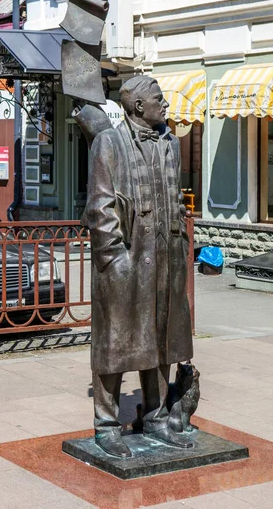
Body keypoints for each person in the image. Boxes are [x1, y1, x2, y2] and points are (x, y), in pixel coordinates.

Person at [83, 75, 194, 458]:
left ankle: (157, 417)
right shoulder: (108, 143)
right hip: (125, 262)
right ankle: (106, 424)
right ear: (138, 107)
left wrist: (180, 249)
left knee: (160, 342)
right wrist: (114, 261)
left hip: (165, 258)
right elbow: (100, 209)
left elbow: (175, 198)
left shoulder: (169, 143)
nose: (165, 105)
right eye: (158, 99)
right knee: (116, 346)